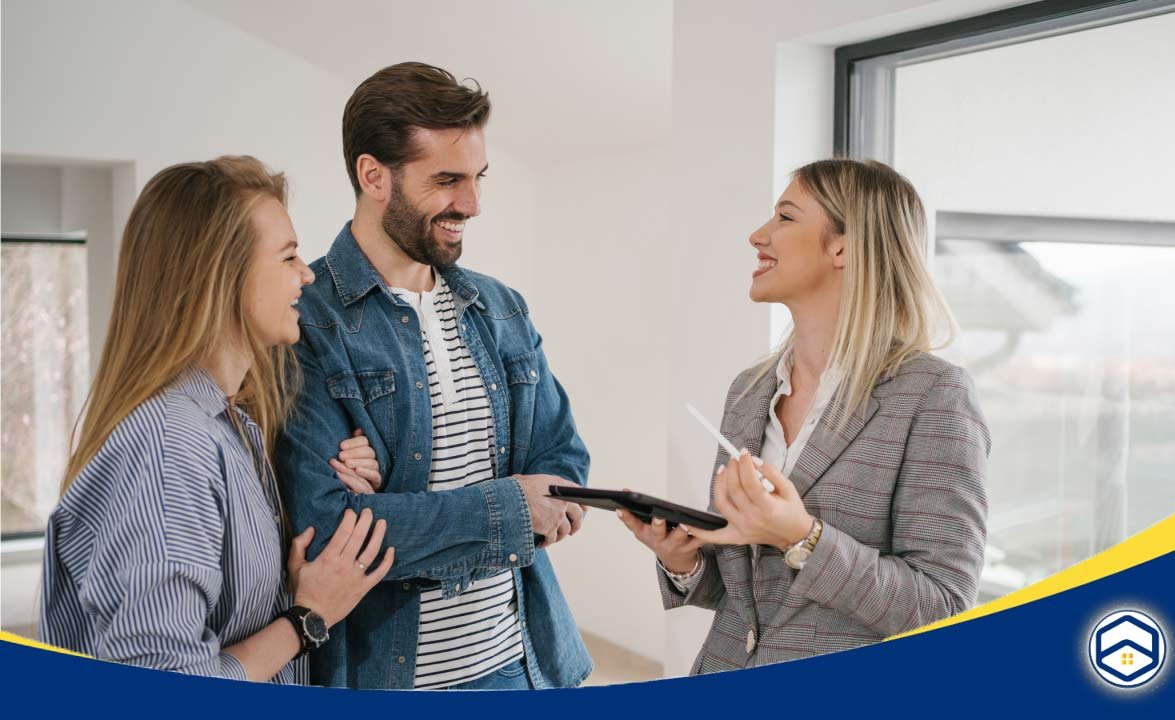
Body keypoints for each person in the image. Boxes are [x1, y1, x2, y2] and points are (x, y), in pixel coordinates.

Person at [275, 62, 592, 691]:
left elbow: (564, 462)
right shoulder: (304, 320)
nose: (471, 205)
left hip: (522, 663)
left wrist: (397, 510)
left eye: (477, 178)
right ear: (374, 176)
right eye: (447, 180)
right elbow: (330, 533)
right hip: (391, 679)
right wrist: (511, 508)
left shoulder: (502, 309)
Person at [619, 159, 990, 673]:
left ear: (842, 246)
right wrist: (683, 561)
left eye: (785, 218)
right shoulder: (748, 394)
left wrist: (803, 538)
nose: (757, 235)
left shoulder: (933, 396)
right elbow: (745, 592)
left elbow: (941, 605)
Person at [40, 156, 393, 683]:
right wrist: (306, 619)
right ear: (222, 276)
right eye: (289, 256)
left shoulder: (230, 425)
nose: (307, 273)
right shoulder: (167, 448)